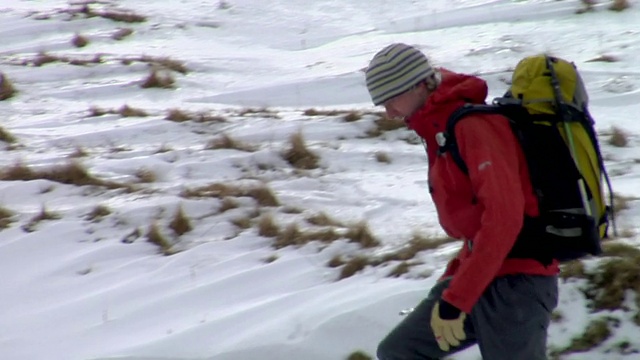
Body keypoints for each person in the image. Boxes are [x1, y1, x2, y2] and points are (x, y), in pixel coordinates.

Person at [365, 43, 560, 360]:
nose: (388, 112)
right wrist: (452, 284)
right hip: (482, 275)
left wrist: (457, 299)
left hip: (517, 284)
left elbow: (503, 219)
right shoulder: (442, 130)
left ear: (419, 84)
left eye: (391, 98)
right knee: (399, 352)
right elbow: (475, 222)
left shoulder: (475, 127)